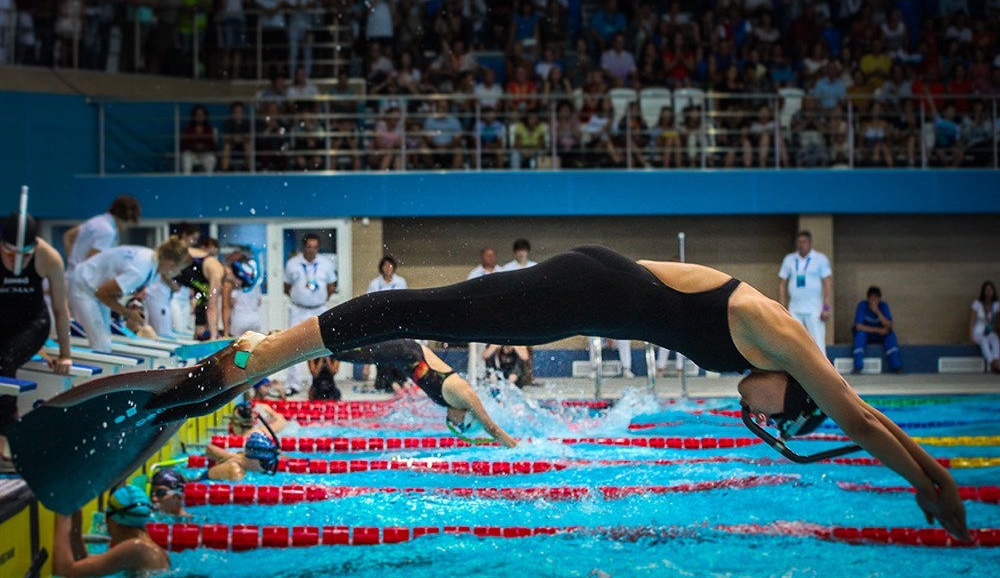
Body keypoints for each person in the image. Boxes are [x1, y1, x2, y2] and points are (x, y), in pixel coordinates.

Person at [186, 245, 968, 540]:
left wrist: (935, 476)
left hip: (587, 294)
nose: (749, 412)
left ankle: (268, 349)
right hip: (583, 290)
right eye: (769, 418)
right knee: (417, 309)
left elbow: (866, 419)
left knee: (424, 312)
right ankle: (264, 353)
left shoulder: (766, 354)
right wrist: (935, 485)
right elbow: (862, 418)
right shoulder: (783, 338)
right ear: (794, 397)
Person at [333, 340, 516, 446]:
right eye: (457, 425)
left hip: (402, 361)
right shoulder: (463, 393)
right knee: (353, 352)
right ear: (465, 418)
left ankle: (324, 347)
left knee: (348, 354)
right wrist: (514, 447)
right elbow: (492, 428)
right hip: (408, 351)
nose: (452, 423)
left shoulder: (448, 403)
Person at [0, 213, 72, 473]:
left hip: (33, 323)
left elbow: (61, 309)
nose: (17, 261)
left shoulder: (49, 257)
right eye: (9, 254)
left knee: (5, 362)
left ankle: (6, 439)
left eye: (25, 255)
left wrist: (65, 354)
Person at [67, 239, 190, 352]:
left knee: (105, 339)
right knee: (100, 342)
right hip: (83, 285)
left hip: (92, 285)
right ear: (172, 264)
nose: (178, 273)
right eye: (180, 269)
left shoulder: (151, 260)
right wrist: (128, 314)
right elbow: (102, 293)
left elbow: (108, 290)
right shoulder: (140, 271)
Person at [53, 485, 170, 577]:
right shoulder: (145, 547)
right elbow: (84, 565)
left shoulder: (136, 547)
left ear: (113, 521)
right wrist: (76, 527)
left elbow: (65, 570)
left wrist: (64, 514)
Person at [283, 233, 337, 395]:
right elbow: (286, 287)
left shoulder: (326, 264)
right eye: (309, 247)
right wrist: (302, 297)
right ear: (303, 247)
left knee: (324, 343)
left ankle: (323, 380)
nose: (312, 251)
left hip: (319, 308)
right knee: (292, 345)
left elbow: (331, 286)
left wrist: (320, 299)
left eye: (315, 247)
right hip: (298, 309)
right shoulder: (292, 264)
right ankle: (293, 384)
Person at [778, 231, 832, 352]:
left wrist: (826, 307)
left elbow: (827, 283)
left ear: (810, 243)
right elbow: (782, 284)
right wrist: (782, 306)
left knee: (818, 343)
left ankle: (821, 370)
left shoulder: (820, 259)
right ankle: (793, 370)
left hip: (815, 309)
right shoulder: (789, 259)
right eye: (799, 242)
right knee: (793, 341)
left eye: (804, 242)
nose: (802, 245)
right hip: (794, 309)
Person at [63, 195, 141, 274]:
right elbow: (91, 264)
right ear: (128, 217)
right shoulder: (108, 232)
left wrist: (73, 262)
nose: (125, 228)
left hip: (72, 275)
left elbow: (68, 236)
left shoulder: (97, 220)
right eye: (128, 225)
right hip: (82, 282)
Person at [174, 238, 228, 341]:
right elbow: (213, 305)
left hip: (171, 274)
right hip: (169, 269)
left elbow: (206, 304)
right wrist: (213, 336)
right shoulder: (217, 273)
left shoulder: (205, 273)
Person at [852, 286, 902, 374]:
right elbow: (858, 326)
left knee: (891, 336)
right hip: (867, 335)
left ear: (879, 299)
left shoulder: (883, 306)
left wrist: (877, 312)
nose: (874, 300)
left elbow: (889, 326)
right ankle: (858, 367)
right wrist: (878, 330)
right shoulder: (862, 306)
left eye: (876, 298)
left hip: (880, 336)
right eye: (872, 297)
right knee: (860, 336)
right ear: (868, 298)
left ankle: (896, 367)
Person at [204, 431, 280, 481]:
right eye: (265, 464)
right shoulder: (236, 472)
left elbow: (209, 449)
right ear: (253, 459)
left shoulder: (240, 456)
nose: (267, 469)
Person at [223, 254, 262, 338]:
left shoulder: (234, 288)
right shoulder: (256, 286)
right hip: (255, 319)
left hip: (239, 320)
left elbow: (229, 305)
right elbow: (259, 302)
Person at [970, 281, 999, 373]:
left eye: (991, 289)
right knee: (983, 340)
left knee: (995, 339)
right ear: (983, 291)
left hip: (988, 330)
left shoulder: (996, 305)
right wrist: (970, 337)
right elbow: (971, 321)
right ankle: (991, 363)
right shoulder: (977, 304)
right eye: (987, 289)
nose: (989, 292)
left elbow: (997, 321)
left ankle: (996, 360)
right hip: (977, 332)